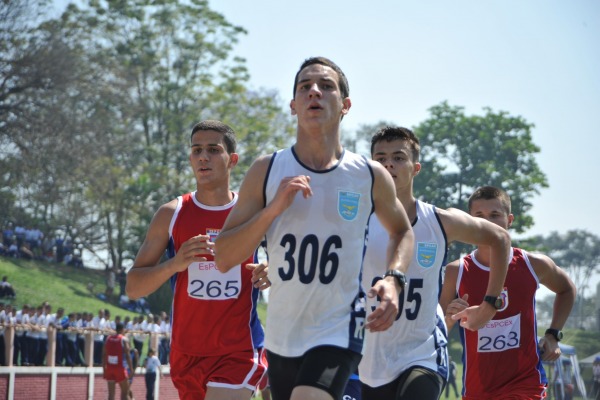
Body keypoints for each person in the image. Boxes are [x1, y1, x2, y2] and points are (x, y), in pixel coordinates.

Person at [215, 57, 415, 400]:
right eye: (304, 87)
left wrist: (394, 279)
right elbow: (223, 256)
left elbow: (403, 232)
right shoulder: (267, 170)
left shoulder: (368, 175)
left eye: (326, 86)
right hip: (283, 332)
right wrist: (273, 209)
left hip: (339, 327)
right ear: (293, 105)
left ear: (345, 105)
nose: (314, 92)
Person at [359, 127, 511, 400]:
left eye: (398, 157)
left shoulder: (440, 221)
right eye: (380, 158)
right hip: (368, 358)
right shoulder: (355, 220)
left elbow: (500, 238)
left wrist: (491, 303)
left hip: (423, 353)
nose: (388, 164)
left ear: (416, 167)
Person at [126, 120, 269, 400]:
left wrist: (271, 270)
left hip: (238, 348)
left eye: (214, 150)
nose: (203, 157)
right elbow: (132, 288)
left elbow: (287, 263)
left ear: (232, 160)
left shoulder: (252, 212)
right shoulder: (172, 214)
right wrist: (175, 263)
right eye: (197, 150)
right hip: (186, 353)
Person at [440, 185, 576, 399]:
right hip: (477, 389)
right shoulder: (456, 271)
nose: (487, 222)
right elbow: (437, 331)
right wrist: (448, 318)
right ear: (470, 222)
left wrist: (553, 335)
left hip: (525, 384)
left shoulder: (533, 264)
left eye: (495, 215)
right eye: (479, 216)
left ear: (509, 220)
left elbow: (567, 289)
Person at [103, 322, 135, 400]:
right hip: (120, 368)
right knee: (125, 393)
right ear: (122, 330)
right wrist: (131, 369)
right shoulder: (123, 339)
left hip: (109, 368)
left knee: (111, 395)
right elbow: (127, 355)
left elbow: (103, 354)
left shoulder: (108, 338)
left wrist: (104, 368)